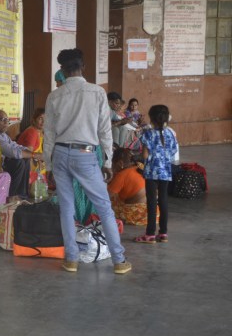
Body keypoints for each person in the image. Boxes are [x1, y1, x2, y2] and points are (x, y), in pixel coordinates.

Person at [43, 48, 132, 275]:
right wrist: (108, 161)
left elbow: (49, 135)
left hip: (61, 154)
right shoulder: (97, 92)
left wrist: (48, 166)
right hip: (86, 154)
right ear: (83, 66)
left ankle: (71, 259)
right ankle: (119, 261)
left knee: (66, 207)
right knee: (103, 207)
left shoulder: (54, 96)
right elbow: (105, 130)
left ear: (62, 70)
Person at [134, 105, 179, 244]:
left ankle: (150, 234)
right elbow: (172, 153)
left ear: (152, 118)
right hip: (166, 172)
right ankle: (163, 233)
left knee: (152, 202)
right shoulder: (171, 133)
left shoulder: (147, 134)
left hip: (151, 173)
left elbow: (145, 155)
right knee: (164, 200)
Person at [0, 109, 42, 198]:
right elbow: (11, 152)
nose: (6, 123)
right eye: (3, 120)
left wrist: (32, 154)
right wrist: (34, 155)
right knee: (18, 162)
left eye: (7, 120)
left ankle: (22, 194)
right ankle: (12, 196)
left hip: (3, 163)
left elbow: (15, 146)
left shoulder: (2, 134)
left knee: (25, 159)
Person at [107, 149, 149, 226]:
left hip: (134, 214)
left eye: (112, 165)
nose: (112, 168)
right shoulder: (140, 167)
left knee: (110, 199)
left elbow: (107, 196)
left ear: (120, 163)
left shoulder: (122, 174)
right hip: (151, 213)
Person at [17, 108, 48, 192]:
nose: (43, 122)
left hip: (37, 172)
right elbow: (28, 155)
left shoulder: (40, 132)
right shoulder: (32, 132)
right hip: (30, 172)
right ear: (34, 119)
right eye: (40, 118)